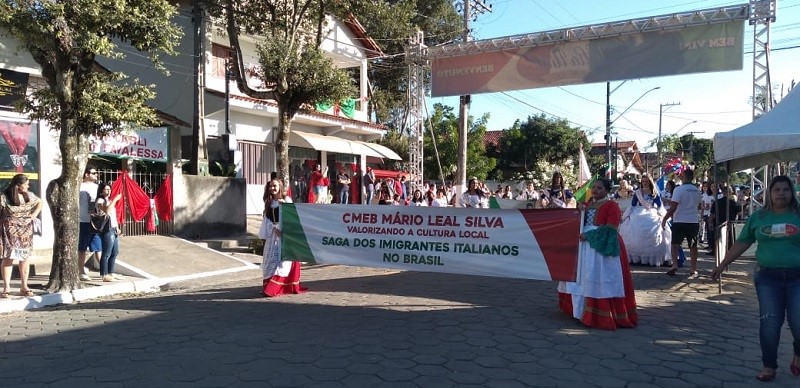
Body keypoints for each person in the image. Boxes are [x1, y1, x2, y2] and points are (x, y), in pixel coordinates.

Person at [710, 175, 800, 382]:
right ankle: (769, 366)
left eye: (786, 190)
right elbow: (742, 243)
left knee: (798, 324)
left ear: (792, 192)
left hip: (797, 277)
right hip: (768, 278)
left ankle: (798, 352)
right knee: (769, 323)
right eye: (777, 190)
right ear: (769, 193)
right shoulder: (759, 217)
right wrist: (722, 265)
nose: (781, 194)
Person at [557, 178, 638, 330]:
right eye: (593, 187)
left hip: (601, 248)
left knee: (595, 277)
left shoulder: (611, 206)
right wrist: (578, 212)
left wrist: (589, 236)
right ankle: (579, 311)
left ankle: (597, 314)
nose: (595, 190)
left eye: (599, 188)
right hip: (583, 246)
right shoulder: (587, 204)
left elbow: (611, 228)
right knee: (581, 278)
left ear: (607, 190)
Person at [260, 179, 305, 297]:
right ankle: (269, 285)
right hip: (273, 235)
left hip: (283, 234)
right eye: (270, 186)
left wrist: (284, 231)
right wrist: (272, 229)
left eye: (274, 186)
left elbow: (291, 218)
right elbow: (266, 219)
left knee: (283, 262)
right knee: (270, 261)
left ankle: (274, 288)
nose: (272, 188)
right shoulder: (269, 203)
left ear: (280, 187)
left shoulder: (286, 200)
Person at [1, 174, 43, 298]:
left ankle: (24, 286)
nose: (28, 186)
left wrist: (34, 215)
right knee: (8, 257)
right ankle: (6, 287)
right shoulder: (4, 197)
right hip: (10, 231)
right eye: (26, 184)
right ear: (18, 185)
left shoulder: (29, 195)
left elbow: (40, 202)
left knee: (24, 257)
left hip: (26, 231)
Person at [619, 175, 670, 266]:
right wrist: (625, 216)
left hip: (651, 213)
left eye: (646, 181)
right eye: (643, 181)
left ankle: (651, 258)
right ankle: (635, 257)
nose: (644, 183)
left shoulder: (654, 192)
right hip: (638, 212)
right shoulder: (637, 192)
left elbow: (659, 206)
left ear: (650, 182)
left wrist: (663, 216)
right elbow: (632, 205)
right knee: (634, 230)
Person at [663, 168, 702, 276]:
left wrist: (665, 218)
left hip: (679, 220)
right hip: (693, 220)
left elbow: (673, 206)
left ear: (683, 176)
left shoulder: (678, 190)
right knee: (693, 246)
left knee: (675, 244)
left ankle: (674, 264)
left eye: (681, 175)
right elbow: (699, 205)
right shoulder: (697, 190)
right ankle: (693, 268)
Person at [78, 166, 102, 281]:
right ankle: (81, 271)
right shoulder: (79, 186)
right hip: (82, 220)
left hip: (94, 220)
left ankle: (104, 270)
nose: (96, 175)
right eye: (94, 173)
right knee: (82, 248)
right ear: (86, 174)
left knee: (98, 246)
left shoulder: (97, 187)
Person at [95, 183, 122, 282]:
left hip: (113, 228)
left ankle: (111, 272)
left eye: (109, 189)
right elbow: (107, 210)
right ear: (101, 191)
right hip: (107, 229)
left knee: (115, 252)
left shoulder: (109, 201)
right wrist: (115, 200)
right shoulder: (100, 201)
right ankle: (104, 274)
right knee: (106, 253)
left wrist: (117, 227)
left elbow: (113, 216)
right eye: (106, 189)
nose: (108, 191)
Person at [708, 185, 740, 255]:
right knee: (729, 238)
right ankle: (729, 251)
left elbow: (712, 214)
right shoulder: (733, 203)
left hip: (719, 222)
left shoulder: (717, 202)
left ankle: (716, 251)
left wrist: (710, 223)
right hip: (730, 223)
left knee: (718, 238)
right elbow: (740, 212)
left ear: (722, 192)